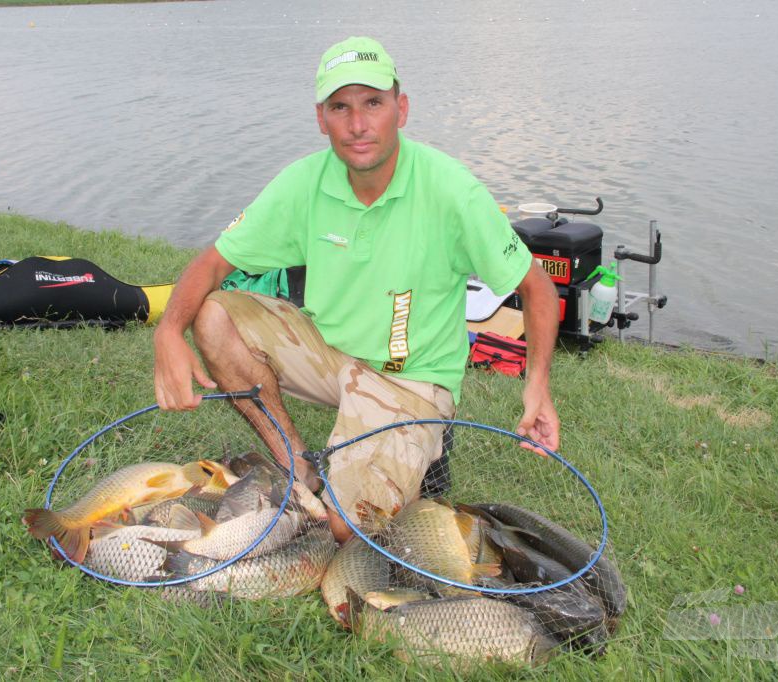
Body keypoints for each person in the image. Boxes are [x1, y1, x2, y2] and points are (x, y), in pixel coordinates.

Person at [153, 36, 560, 542]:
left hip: (410, 378)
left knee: (347, 530)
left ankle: (414, 450)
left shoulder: (454, 192)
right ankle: (299, 466)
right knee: (213, 316)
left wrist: (536, 384)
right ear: (321, 119)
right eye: (340, 107)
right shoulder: (304, 183)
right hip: (331, 351)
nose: (358, 123)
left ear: (401, 109)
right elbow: (213, 262)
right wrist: (168, 332)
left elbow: (537, 288)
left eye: (373, 103)